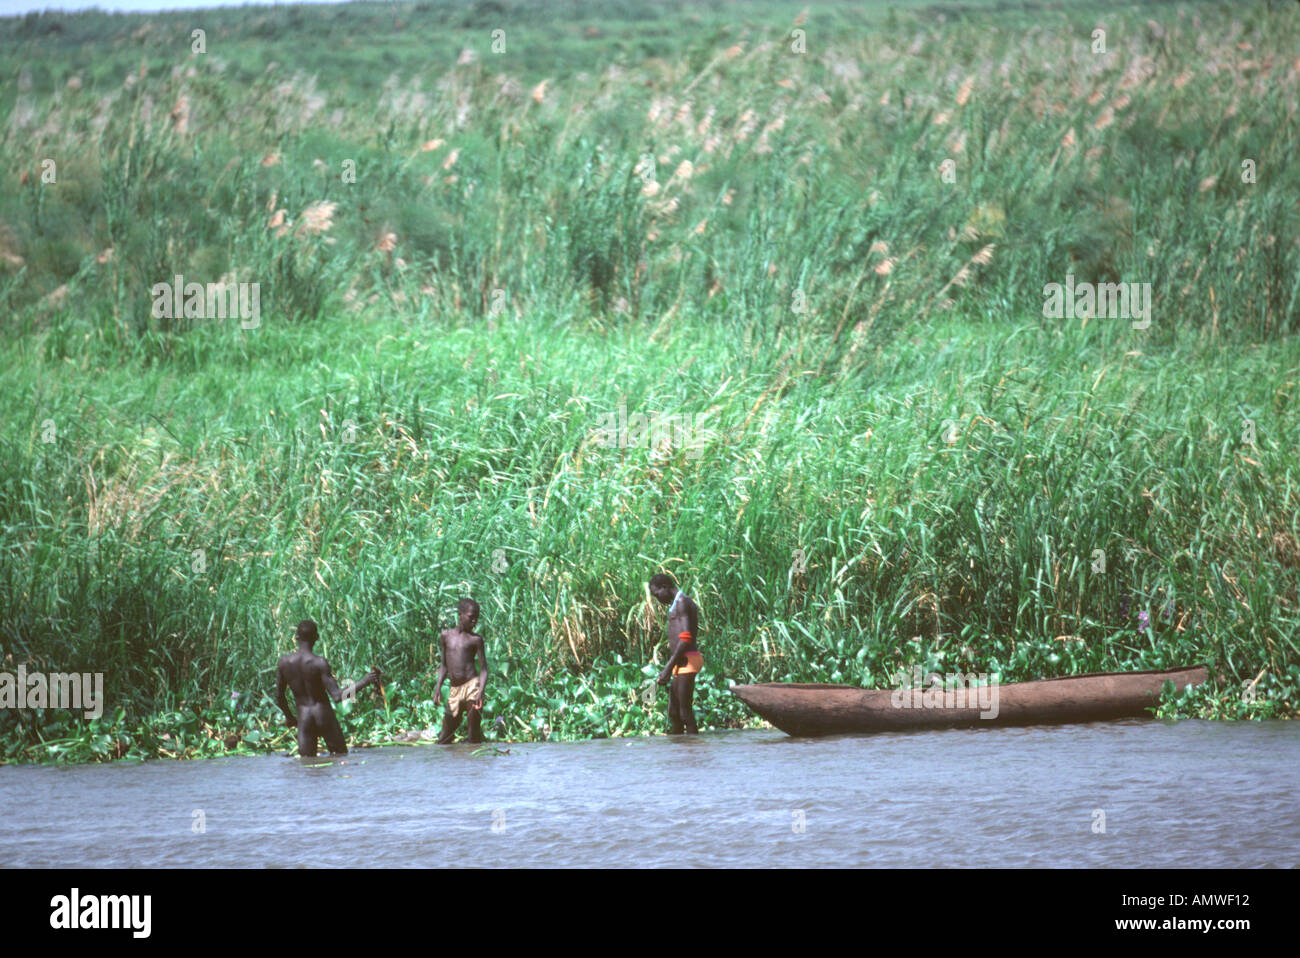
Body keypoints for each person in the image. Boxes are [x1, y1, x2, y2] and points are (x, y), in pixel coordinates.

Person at [275, 619, 382, 757]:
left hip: (304, 718)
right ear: (316, 638)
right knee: (340, 757)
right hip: (323, 715)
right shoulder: (319, 663)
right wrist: (365, 681)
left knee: (307, 762)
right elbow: (338, 696)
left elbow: (279, 696)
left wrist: (289, 717)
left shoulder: (284, 663)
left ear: (296, 637)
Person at [650, 574, 702, 734]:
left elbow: (685, 637)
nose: (657, 599)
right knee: (674, 712)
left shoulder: (682, 603)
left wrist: (667, 667)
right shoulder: (677, 604)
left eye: (657, 594)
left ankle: (694, 753)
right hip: (680, 662)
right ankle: (679, 754)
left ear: (665, 587)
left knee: (685, 713)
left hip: (687, 661)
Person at [433, 597, 490, 744]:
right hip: (455, 689)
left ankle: (474, 763)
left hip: (472, 687)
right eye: (471, 617)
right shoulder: (446, 636)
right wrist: (438, 687)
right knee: (444, 738)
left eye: (476, 618)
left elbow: (484, 670)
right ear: (460, 614)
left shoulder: (475, 640)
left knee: (473, 736)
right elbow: (444, 665)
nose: (474, 621)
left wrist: (481, 691)